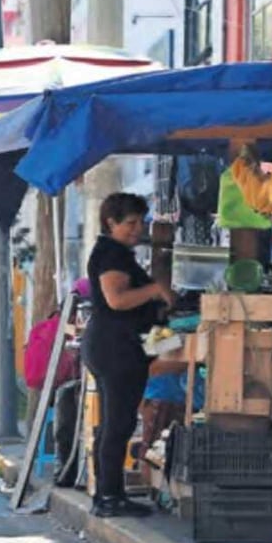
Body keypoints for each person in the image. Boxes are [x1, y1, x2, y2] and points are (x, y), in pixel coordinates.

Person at [85, 193, 175, 517]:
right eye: (130, 223)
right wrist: (156, 289)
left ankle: (109, 494)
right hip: (115, 348)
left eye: (141, 222)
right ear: (111, 223)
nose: (138, 229)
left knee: (115, 423)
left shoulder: (119, 253)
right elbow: (117, 299)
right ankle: (109, 497)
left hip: (115, 347)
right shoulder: (111, 254)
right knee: (117, 424)